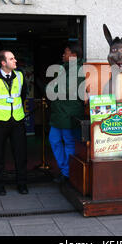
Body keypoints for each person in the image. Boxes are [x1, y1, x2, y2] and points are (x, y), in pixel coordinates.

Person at [0, 50, 28, 196]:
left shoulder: (20, 76)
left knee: (20, 154)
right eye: (12, 58)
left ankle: (22, 184)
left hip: (17, 121)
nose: (15, 61)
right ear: (3, 63)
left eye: (14, 58)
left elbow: (23, 95)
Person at [48, 42, 85, 183]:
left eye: (66, 52)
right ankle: (66, 171)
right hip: (59, 114)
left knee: (69, 143)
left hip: (69, 114)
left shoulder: (77, 70)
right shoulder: (65, 69)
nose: (63, 55)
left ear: (74, 55)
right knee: (55, 141)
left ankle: (68, 173)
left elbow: (58, 90)